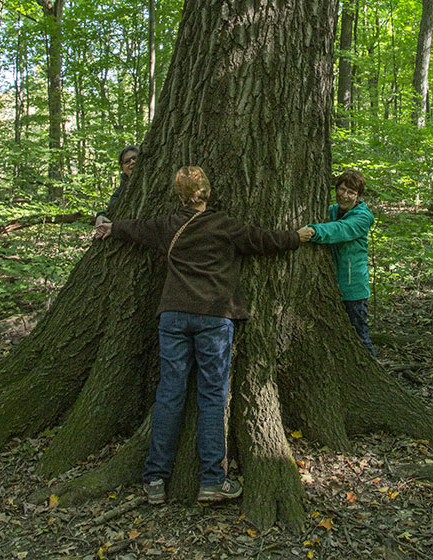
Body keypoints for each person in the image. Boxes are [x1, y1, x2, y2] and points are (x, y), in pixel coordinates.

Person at [94, 165, 314, 505]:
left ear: (179, 196)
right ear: (207, 193)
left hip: (174, 315)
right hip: (214, 316)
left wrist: (112, 227)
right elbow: (262, 240)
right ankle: (211, 480)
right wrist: (294, 237)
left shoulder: (167, 225)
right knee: (212, 395)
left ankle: (155, 480)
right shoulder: (224, 225)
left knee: (169, 394)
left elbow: (136, 229)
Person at [307, 169, 376, 356]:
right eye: (342, 189)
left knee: (359, 337)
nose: (344, 196)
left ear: (358, 196)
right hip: (331, 286)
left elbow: (341, 229)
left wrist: (314, 231)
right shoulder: (332, 211)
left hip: (353, 288)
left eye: (351, 193)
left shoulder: (362, 217)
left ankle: (370, 369)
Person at [95, 145, 139, 226]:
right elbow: (111, 208)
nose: (132, 162)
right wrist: (100, 216)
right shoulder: (122, 189)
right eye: (127, 161)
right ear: (122, 168)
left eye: (135, 158)